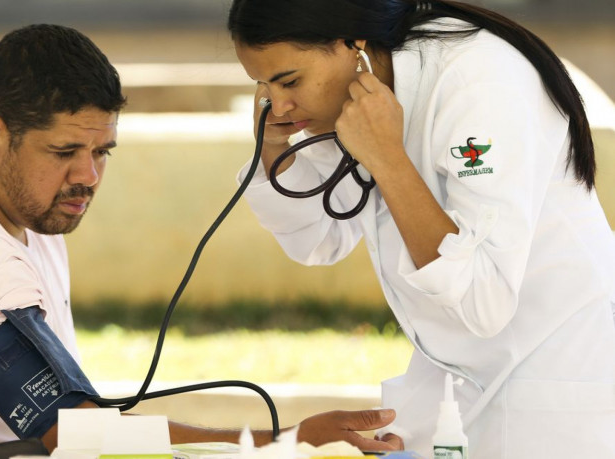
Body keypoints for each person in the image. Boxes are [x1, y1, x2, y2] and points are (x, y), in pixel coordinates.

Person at [0, 24, 402, 459]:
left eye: (101, 152)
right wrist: (285, 442)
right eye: (65, 152)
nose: (88, 176)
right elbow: (79, 436)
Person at [227, 0, 615, 458]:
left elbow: (481, 299)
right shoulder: (362, 91)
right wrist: (273, 147)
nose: (279, 104)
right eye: (263, 85)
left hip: (553, 384)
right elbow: (319, 239)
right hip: (460, 383)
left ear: (354, 45)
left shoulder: (479, 81)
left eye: (289, 81)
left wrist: (388, 159)